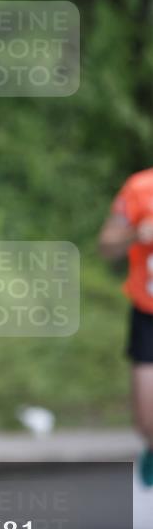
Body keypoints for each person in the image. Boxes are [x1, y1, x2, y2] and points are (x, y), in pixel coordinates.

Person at [98, 168, 153, 487]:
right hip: (148, 313)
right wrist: (137, 234)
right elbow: (106, 246)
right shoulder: (140, 187)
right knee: (147, 420)